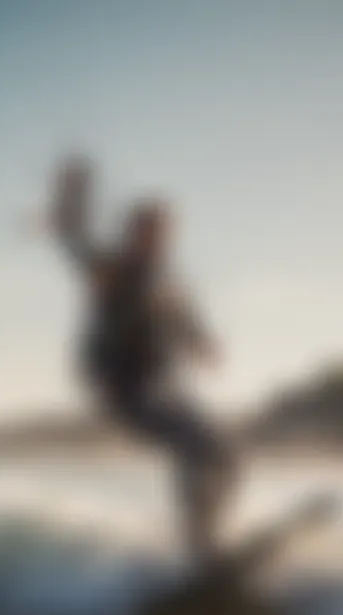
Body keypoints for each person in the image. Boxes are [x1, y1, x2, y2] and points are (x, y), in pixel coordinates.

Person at [48, 155, 237, 568]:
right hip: (122, 390)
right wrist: (73, 195)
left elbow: (186, 320)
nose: (157, 240)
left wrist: (202, 341)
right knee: (193, 446)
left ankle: (212, 535)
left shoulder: (169, 281)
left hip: (161, 388)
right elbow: (71, 237)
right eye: (148, 232)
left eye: (163, 233)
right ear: (133, 234)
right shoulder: (113, 269)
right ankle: (199, 545)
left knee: (226, 454)